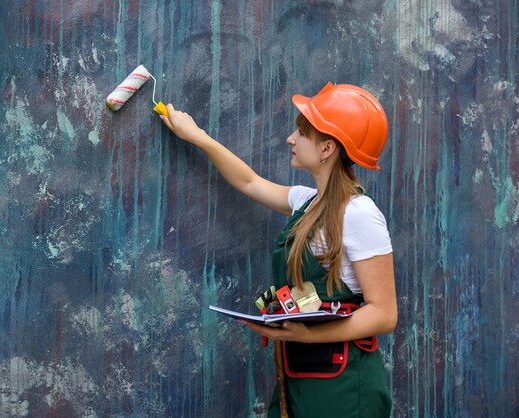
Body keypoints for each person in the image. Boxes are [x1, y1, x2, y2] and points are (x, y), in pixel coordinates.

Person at [160, 82, 397, 417]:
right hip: (299, 377)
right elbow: (249, 182)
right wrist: (196, 136)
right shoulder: (306, 202)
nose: (290, 138)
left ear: (327, 148)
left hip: (345, 390)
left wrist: (308, 336)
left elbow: (384, 314)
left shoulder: (359, 214)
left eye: (301, 132)